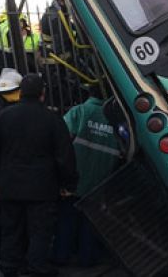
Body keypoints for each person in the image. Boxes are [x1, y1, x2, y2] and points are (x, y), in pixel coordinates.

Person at [0, 73, 77, 277]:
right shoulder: (53, 120)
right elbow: (65, 156)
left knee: (11, 230)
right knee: (40, 232)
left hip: (9, 186)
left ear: (21, 93)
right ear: (42, 94)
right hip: (43, 189)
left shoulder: (2, 119)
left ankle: (9, 267)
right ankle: (37, 267)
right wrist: (68, 184)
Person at [53, 88, 121, 267]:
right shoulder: (117, 120)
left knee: (67, 220)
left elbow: (59, 139)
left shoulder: (79, 112)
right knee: (91, 223)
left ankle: (61, 256)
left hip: (75, 179)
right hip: (101, 181)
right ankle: (87, 260)